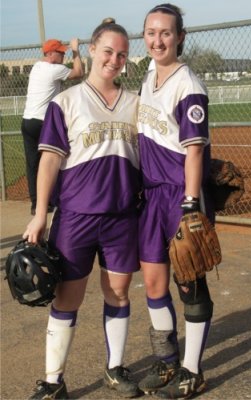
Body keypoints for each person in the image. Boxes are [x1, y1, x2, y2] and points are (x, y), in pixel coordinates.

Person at [22, 19, 141, 399]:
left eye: (121, 54)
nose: (114, 60)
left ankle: (115, 368)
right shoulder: (66, 101)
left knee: (118, 292)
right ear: (92, 50)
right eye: (108, 51)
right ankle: (54, 381)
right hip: (76, 215)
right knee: (66, 297)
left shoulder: (136, 103)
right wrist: (41, 213)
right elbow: (49, 162)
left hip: (122, 215)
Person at [137, 4, 215, 399]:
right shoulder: (148, 75)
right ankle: (166, 361)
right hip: (150, 195)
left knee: (190, 282)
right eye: (151, 32)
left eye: (166, 32)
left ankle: (192, 370)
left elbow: (195, 151)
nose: (157, 40)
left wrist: (189, 205)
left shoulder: (189, 84)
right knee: (153, 282)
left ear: (180, 36)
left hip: (178, 194)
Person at [21, 38, 84, 216]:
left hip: (27, 122)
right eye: (60, 52)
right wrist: (75, 51)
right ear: (49, 54)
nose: (63, 55)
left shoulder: (36, 66)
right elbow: (79, 72)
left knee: (33, 164)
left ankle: (37, 204)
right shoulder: (54, 69)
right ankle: (59, 197)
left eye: (64, 52)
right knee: (57, 159)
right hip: (43, 123)